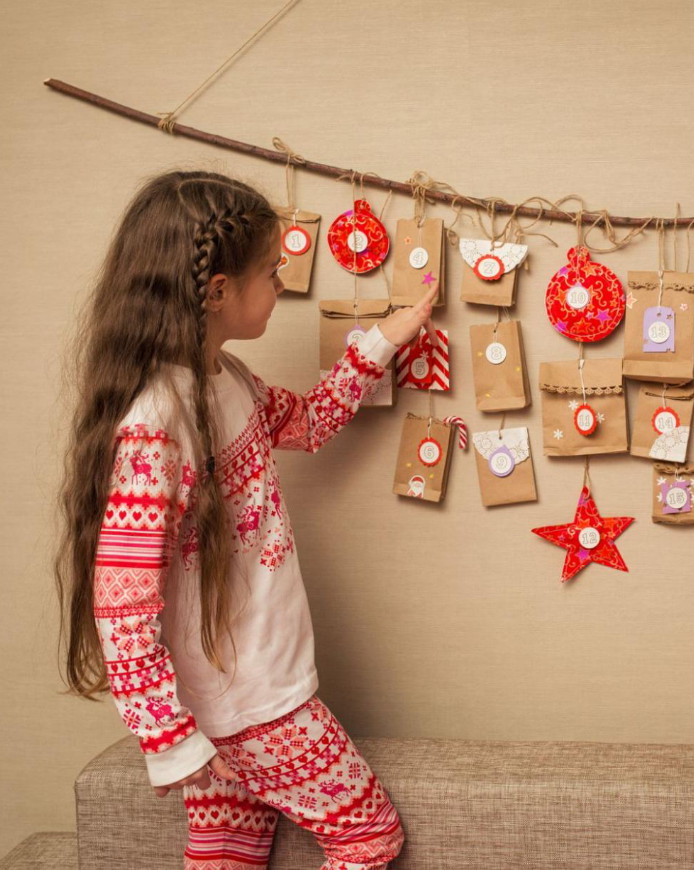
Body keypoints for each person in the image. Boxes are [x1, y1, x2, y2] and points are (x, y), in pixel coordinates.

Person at [56, 170, 434, 870]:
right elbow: (121, 602)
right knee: (368, 836)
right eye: (271, 271)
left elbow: (313, 421)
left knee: (228, 850)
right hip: (252, 703)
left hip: (233, 699)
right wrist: (168, 740)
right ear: (219, 290)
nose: (283, 284)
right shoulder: (156, 423)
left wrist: (384, 339)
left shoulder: (227, 380)